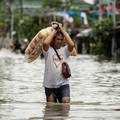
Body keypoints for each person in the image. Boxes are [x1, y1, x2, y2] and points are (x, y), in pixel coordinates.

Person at [42, 22, 74, 103]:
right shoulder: (47, 50)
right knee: (51, 108)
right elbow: (45, 43)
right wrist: (55, 30)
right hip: (49, 85)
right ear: (53, 39)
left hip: (63, 84)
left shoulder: (65, 50)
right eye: (57, 39)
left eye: (61, 39)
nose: (59, 41)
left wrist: (62, 30)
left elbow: (71, 44)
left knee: (66, 102)